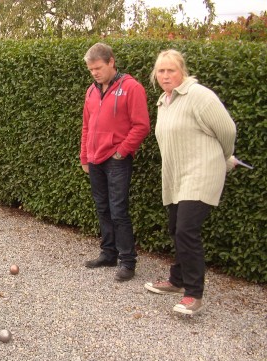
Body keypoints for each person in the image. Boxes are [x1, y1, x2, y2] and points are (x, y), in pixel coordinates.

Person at [144, 49, 237, 316]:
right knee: (176, 228)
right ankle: (177, 280)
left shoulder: (199, 96)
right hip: (177, 176)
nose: (165, 75)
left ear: (182, 70)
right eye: (160, 71)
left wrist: (226, 156)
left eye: (170, 70)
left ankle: (193, 294)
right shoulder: (164, 100)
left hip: (202, 172)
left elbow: (227, 129)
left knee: (186, 230)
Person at [80, 43, 150, 282]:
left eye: (98, 68)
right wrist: (85, 156)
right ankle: (108, 253)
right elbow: (87, 126)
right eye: (91, 70)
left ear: (111, 61)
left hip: (117, 160)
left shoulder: (132, 88)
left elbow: (141, 125)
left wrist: (122, 152)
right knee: (102, 208)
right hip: (95, 158)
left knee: (119, 210)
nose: (95, 73)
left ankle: (127, 261)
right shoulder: (91, 91)